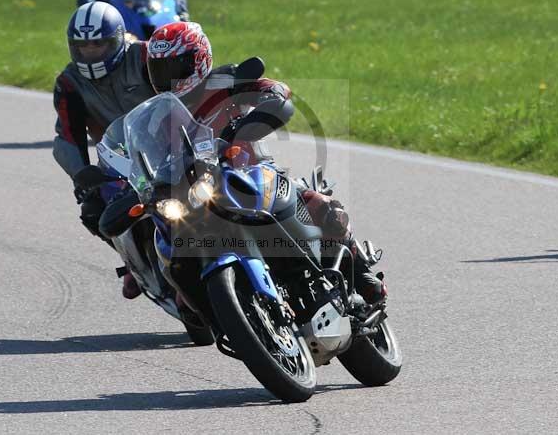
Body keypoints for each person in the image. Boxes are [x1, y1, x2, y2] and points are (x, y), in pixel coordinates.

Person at [143, 22, 387, 304]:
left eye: (175, 67)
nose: (167, 77)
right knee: (178, 272)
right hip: (199, 194)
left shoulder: (229, 82)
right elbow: (146, 160)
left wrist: (257, 114)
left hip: (253, 175)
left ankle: (360, 271)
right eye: (159, 69)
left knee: (322, 206)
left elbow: (276, 90)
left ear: (200, 59)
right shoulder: (159, 119)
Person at [53, 0, 157, 298]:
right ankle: (135, 263)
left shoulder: (146, 56)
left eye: (99, 44)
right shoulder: (69, 82)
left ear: (118, 38)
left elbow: (186, 92)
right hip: (119, 161)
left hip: (171, 144)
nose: (90, 52)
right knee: (93, 210)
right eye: (83, 46)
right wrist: (81, 174)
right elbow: (68, 136)